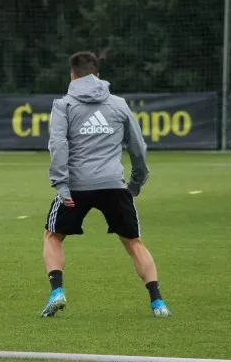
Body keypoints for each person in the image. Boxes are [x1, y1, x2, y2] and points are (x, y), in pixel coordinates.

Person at [42, 51, 171, 318]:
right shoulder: (119, 104)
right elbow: (138, 147)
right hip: (114, 184)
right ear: (97, 75)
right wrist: (135, 183)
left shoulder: (63, 105)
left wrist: (61, 185)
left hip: (77, 185)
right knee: (133, 241)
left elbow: (58, 146)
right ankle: (158, 303)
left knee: (53, 236)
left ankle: (57, 293)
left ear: (72, 75)